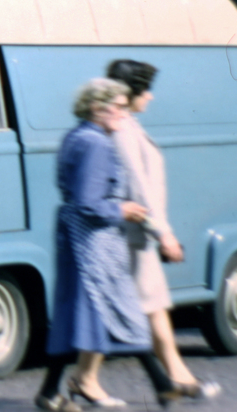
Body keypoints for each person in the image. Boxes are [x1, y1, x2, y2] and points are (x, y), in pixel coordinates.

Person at [36, 78, 179, 412]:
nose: (124, 115)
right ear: (97, 108)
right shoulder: (97, 144)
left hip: (77, 236)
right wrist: (122, 209)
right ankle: (163, 386)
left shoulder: (77, 136)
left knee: (79, 314)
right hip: (94, 241)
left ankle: (50, 392)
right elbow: (89, 201)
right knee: (121, 307)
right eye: (118, 107)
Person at [106, 59, 220, 401]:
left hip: (136, 236)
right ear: (132, 92)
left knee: (152, 309)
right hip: (133, 236)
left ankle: (175, 376)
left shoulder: (128, 125)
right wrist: (164, 234)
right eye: (147, 90)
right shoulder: (123, 130)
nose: (151, 97)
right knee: (146, 309)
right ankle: (174, 377)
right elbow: (138, 188)